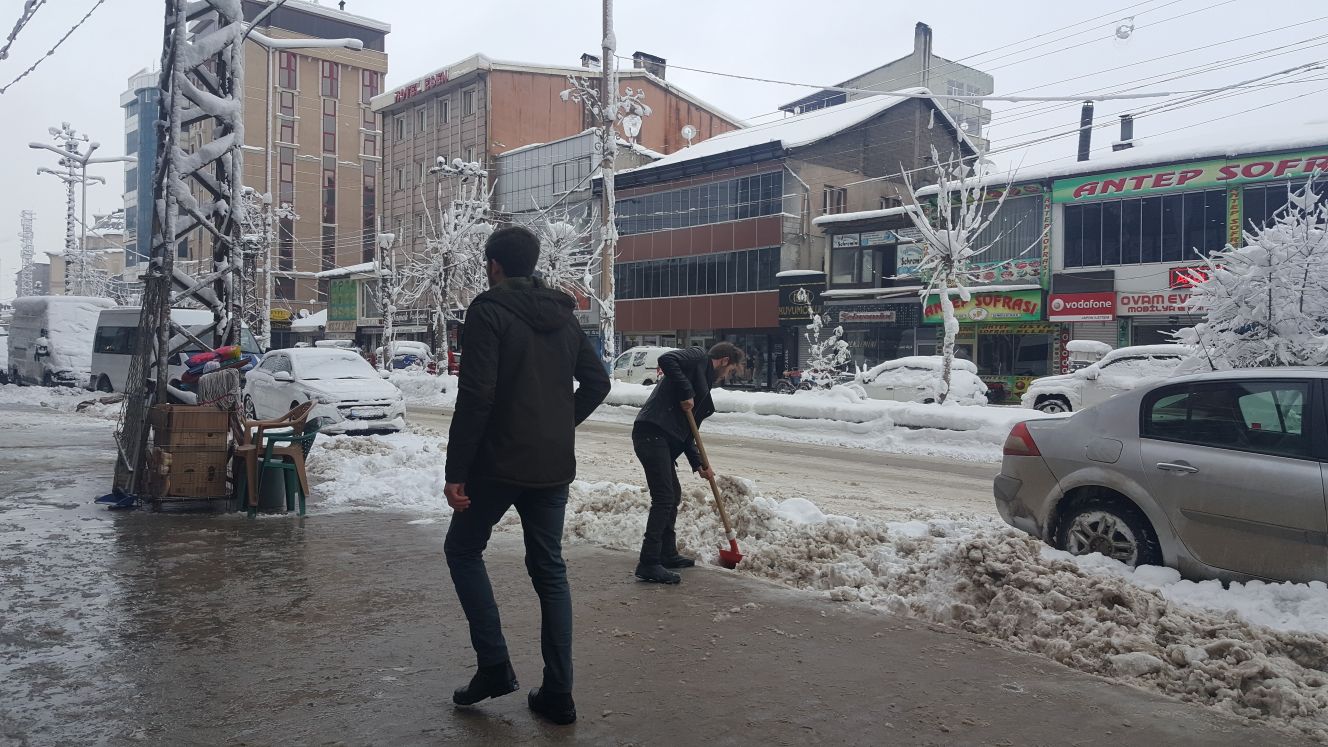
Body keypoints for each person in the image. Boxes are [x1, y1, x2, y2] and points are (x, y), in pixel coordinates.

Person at [442, 225, 610, 726]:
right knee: (550, 571)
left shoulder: (488, 311)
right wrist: (559, 426)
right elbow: (598, 381)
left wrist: (457, 471)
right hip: (551, 465)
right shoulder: (564, 314)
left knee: (462, 550)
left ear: (493, 266)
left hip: (496, 464)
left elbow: (477, 396)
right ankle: (558, 693)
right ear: (533, 264)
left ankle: (494, 666)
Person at [632, 343, 745, 584]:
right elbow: (666, 359)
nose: (726, 377)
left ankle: (667, 553)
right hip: (651, 432)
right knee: (663, 497)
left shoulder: (704, 392)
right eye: (730, 371)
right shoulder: (697, 357)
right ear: (724, 361)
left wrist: (698, 463)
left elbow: (687, 435)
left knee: (673, 494)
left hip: (663, 437)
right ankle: (649, 562)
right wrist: (686, 392)